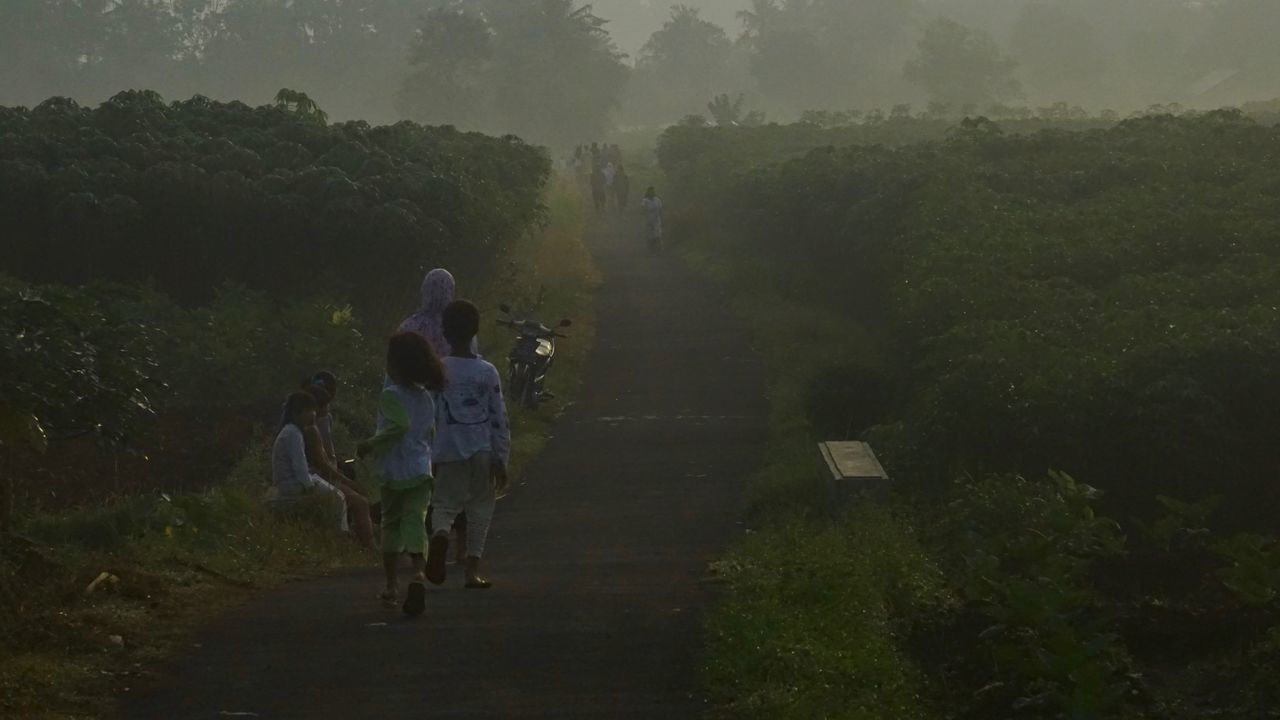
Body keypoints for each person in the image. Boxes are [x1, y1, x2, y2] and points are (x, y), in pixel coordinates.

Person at [358, 332, 446, 617]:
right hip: (421, 469)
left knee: (391, 524)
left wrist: (369, 445)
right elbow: (428, 432)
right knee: (416, 521)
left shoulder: (390, 395)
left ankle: (392, 584)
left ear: (395, 365)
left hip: (394, 471)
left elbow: (399, 427)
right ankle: (418, 574)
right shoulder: (425, 397)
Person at [427, 300, 511, 589]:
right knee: (480, 509)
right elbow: (498, 418)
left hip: (448, 448)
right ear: (475, 330)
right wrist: (502, 457)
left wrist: (430, 452)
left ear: (445, 332)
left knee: (444, 504)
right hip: (482, 449)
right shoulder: (487, 372)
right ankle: (472, 572)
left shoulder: (438, 370)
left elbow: (430, 414)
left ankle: (440, 535)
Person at [399, 267, 473, 561]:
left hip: (413, 413)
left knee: (415, 477)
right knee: (454, 480)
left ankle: (414, 542)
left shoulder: (409, 326)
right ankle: (461, 546)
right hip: (450, 416)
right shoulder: (456, 329)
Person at [300, 384, 375, 549]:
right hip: (320, 477)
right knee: (360, 502)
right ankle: (369, 545)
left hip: (323, 475)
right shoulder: (311, 431)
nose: (327, 409)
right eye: (324, 405)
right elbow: (322, 465)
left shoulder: (314, 427)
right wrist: (347, 482)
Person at [271, 391, 351, 537]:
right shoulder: (293, 434)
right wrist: (310, 487)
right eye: (310, 411)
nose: (314, 414)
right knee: (338, 497)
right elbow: (300, 467)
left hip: (291, 481)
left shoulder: (292, 431)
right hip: (292, 483)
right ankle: (340, 535)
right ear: (299, 412)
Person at [641, 186, 663, 252]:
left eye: (653, 191)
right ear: (648, 192)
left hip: (656, 219)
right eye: (650, 191)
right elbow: (643, 209)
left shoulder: (657, 199)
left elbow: (661, 208)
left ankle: (658, 248)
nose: (652, 192)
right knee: (650, 234)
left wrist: (660, 215)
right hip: (649, 219)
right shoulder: (645, 200)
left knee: (657, 233)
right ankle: (650, 248)